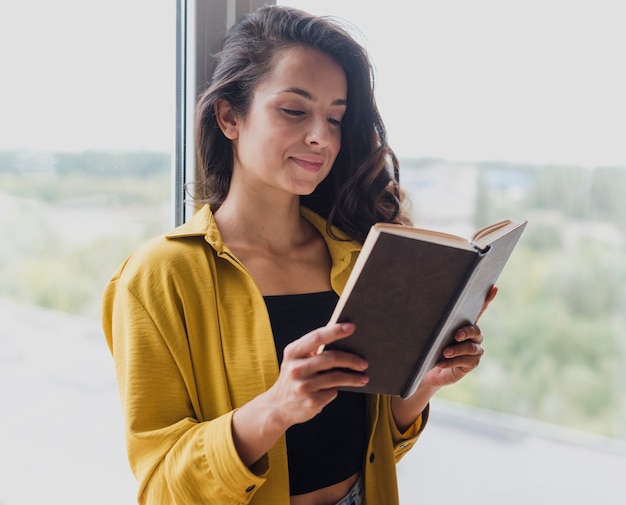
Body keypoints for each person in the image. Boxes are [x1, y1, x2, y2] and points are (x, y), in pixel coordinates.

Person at [102, 5, 496, 505]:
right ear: (229, 116)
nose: (321, 137)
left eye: (335, 118)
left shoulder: (357, 259)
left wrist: (424, 385)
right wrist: (277, 407)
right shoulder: (159, 277)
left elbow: (370, 450)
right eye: (294, 111)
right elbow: (162, 489)